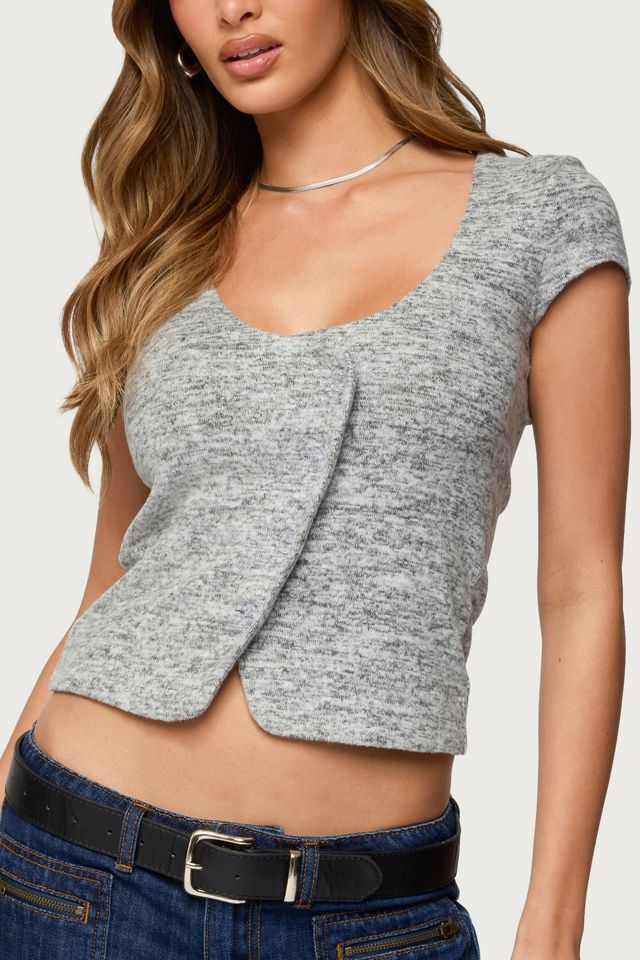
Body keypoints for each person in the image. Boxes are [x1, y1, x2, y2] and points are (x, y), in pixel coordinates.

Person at [0, 2, 631, 958]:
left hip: (370, 918)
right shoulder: (164, 250)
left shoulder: (538, 217)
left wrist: (553, 924)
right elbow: (112, 579)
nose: (232, 8)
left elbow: (581, 590)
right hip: (69, 878)